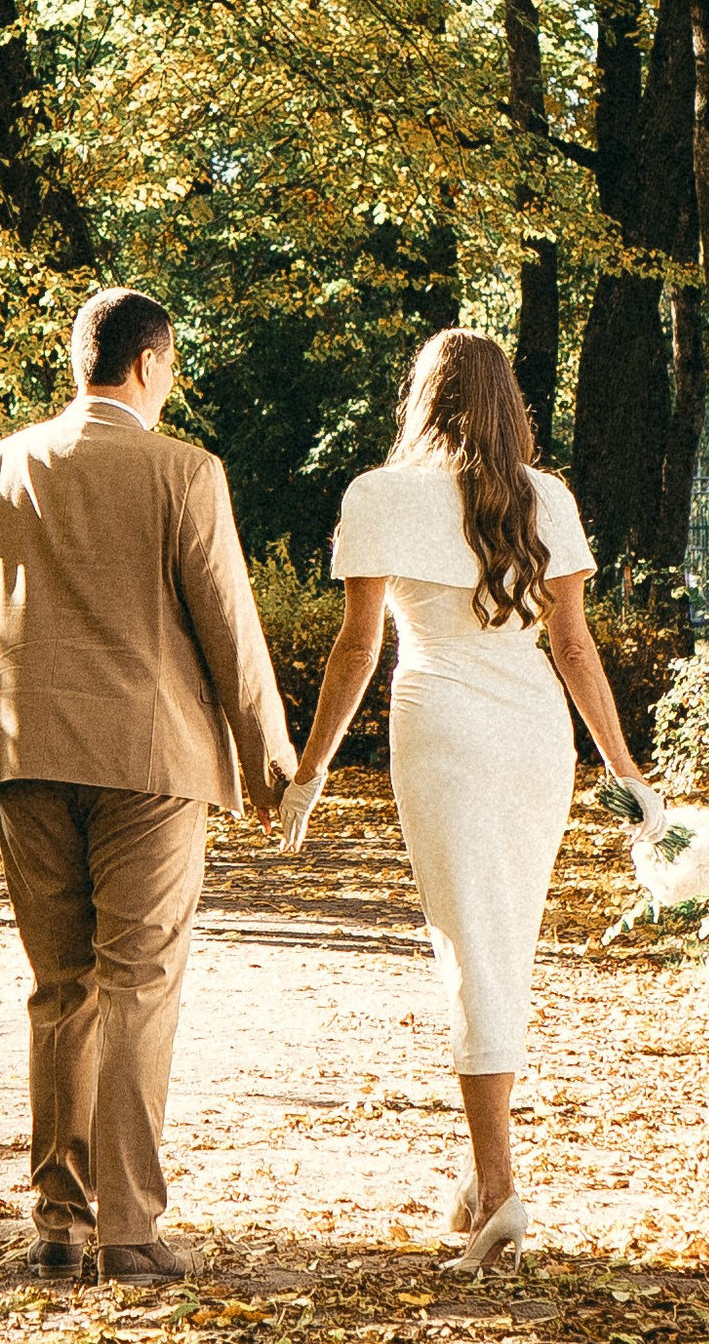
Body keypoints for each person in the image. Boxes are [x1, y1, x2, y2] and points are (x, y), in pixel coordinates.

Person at [275, 326, 685, 1270]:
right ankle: (482, 1169)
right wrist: (623, 769)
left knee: (472, 944)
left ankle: (500, 1187)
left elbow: (357, 646)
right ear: (510, 403)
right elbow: (575, 648)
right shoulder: (547, 498)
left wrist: (311, 771)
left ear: (422, 398)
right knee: (501, 940)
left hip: (444, 724)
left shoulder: (382, 494)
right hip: (534, 730)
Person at [0, 286, 295, 1286]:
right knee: (138, 986)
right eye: (172, 366)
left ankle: (59, 1221)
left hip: (24, 753)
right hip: (150, 763)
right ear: (149, 364)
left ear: (80, 361)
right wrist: (271, 765)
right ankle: (130, 1229)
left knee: (60, 989)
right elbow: (228, 628)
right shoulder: (183, 471)